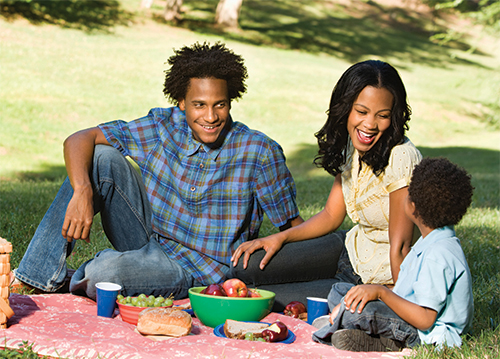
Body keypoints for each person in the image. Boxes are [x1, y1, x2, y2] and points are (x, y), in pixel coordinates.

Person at [13, 42, 342, 307]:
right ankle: (36, 277)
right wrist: (82, 191)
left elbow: (293, 226)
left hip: (198, 271)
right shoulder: (161, 126)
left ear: (232, 100)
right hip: (148, 238)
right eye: (199, 105)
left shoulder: (259, 151)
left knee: (105, 271)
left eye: (220, 104)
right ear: (181, 102)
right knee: (100, 157)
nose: (211, 116)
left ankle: (97, 275)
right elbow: (79, 139)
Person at [231, 60, 422, 309]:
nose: (370, 124)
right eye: (361, 112)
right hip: (348, 250)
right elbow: (332, 215)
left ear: (393, 116)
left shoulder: (400, 157)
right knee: (244, 267)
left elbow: (401, 247)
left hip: (377, 280)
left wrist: (398, 303)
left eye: (382, 115)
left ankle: (333, 290)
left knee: (257, 298)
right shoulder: (352, 146)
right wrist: (281, 238)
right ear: (345, 109)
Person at [313, 157, 474, 351]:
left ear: (412, 206)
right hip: (407, 315)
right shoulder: (432, 241)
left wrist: (381, 293)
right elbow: (406, 292)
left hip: (424, 334)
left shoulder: (437, 255)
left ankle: (381, 340)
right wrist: (370, 293)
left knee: (358, 310)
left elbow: (425, 320)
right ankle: (361, 329)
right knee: (340, 290)